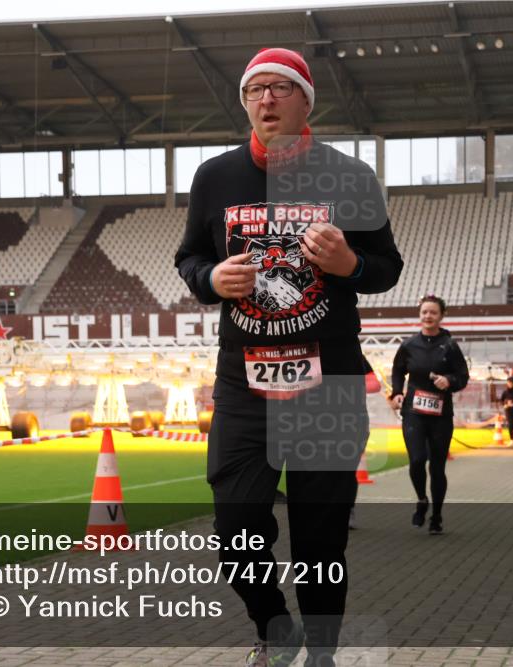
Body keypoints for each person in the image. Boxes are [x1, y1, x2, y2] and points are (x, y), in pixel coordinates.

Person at [174, 47, 402, 667]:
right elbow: (188, 257)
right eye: (254, 91)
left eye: (279, 88)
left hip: (326, 385)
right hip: (243, 386)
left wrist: (349, 265)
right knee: (235, 534)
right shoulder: (215, 178)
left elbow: (387, 267)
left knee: (321, 541)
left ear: (306, 100)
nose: (265, 101)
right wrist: (210, 278)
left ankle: (321, 656)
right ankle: (277, 631)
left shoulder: (350, 176)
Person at [389, 295, 469, 535]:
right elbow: (397, 370)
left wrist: (450, 380)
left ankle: (436, 515)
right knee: (416, 460)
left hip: (440, 414)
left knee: (437, 467)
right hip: (414, 411)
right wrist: (396, 393)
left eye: (433, 312)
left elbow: (462, 376)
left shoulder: (450, 346)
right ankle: (422, 499)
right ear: (420, 315)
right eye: (424, 312)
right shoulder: (408, 345)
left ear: (441, 316)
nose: (428, 316)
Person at [499, 376, 513, 446]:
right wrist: (505, 404)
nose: (510, 384)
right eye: (508, 382)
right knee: (510, 424)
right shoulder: (505, 392)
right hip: (508, 410)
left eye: (511, 383)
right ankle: (511, 440)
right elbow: (501, 400)